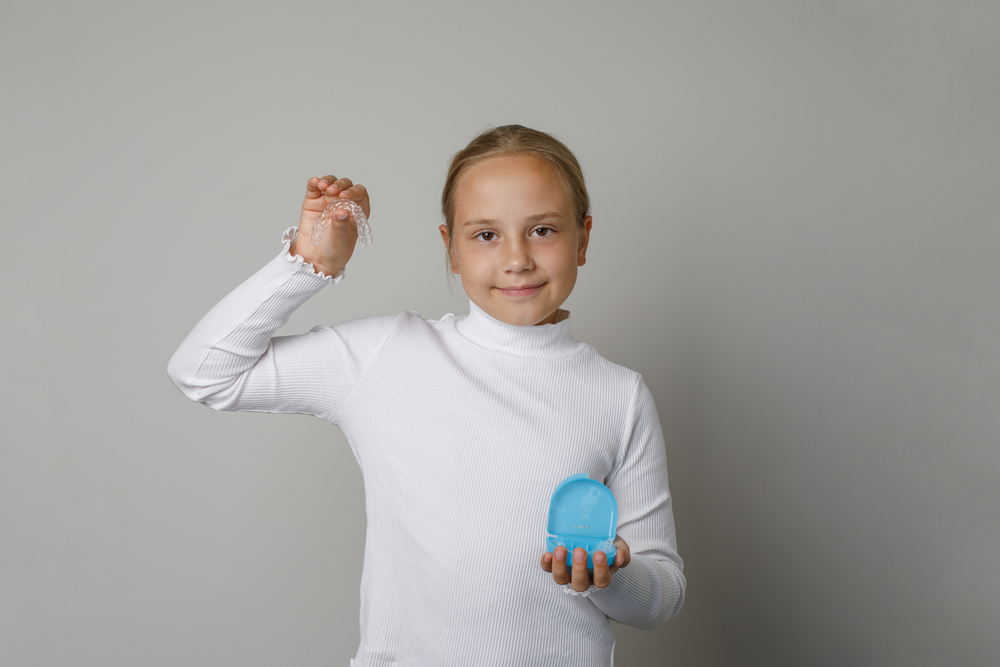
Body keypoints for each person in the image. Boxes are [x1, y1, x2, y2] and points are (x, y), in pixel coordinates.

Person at [167, 125, 685, 666]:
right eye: (486, 235)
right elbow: (203, 371)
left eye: (543, 230)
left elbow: (663, 595)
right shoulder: (388, 355)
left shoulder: (619, 396)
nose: (517, 259)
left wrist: (609, 576)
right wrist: (310, 261)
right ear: (451, 248)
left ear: (582, 239)